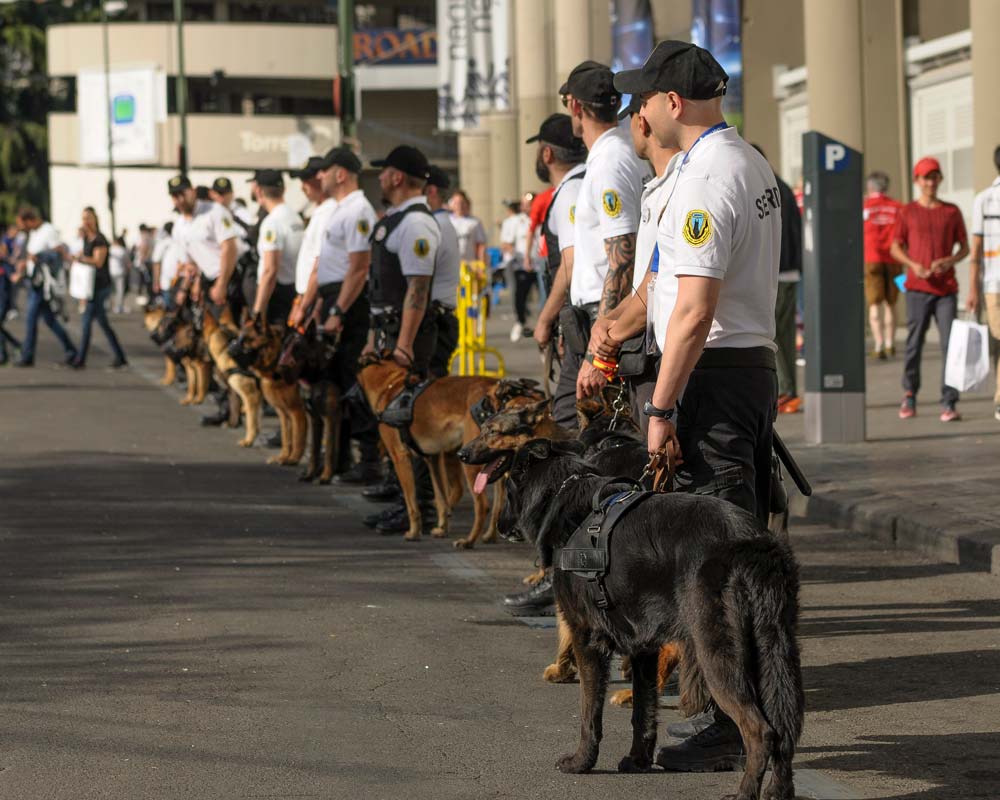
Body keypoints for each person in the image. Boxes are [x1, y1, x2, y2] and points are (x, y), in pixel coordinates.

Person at [612, 40, 780, 771]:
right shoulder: (738, 162)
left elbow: (692, 311)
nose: (638, 113)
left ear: (670, 103)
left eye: (642, 98)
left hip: (712, 379)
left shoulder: (711, 176)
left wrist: (661, 411)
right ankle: (731, 715)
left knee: (716, 561)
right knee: (723, 548)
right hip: (736, 373)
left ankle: (731, 726)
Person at [502, 113, 586, 618]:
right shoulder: (574, 190)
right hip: (578, 325)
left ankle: (564, 576)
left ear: (548, 153)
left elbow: (573, 263)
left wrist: (546, 316)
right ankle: (558, 572)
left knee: (567, 454)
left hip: (580, 324)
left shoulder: (571, 193)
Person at [583, 92, 681, 433]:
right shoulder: (658, 185)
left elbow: (659, 285)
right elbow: (648, 281)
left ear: (642, 123)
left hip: (671, 355)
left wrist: (603, 347)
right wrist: (609, 320)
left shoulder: (681, 187)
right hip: (650, 342)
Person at [557, 60, 648, 424]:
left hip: (605, 316)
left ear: (576, 107)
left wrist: (601, 352)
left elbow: (621, 256)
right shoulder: (616, 154)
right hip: (600, 316)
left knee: (587, 425)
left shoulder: (611, 160)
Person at [366, 145, 440, 534]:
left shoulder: (415, 224)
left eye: (384, 171)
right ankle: (402, 500)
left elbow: (418, 289)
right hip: (389, 332)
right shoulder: (396, 220)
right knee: (393, 421)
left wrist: (405, 344)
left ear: (397, 177)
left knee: (409, 420)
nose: (379, 178)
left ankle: (420, 508)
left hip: (409, 335)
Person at [295, 147, 380, 484]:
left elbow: (358, 269)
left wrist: (337, 310)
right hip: (332, 299)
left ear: (341, 173)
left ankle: (369, 459)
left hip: (349, 303)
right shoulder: (338, 211)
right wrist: (313, 305)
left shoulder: (359, 210)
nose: (320, 176)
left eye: (326, 170)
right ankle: (340, 457)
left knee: (351, 381)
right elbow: (325, 265)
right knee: (333, 384)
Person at [890, 156, 969, 422]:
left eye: (934, 177)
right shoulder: (907, 211)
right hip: (917, 287)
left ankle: (949, 401)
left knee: (950, 345)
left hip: (946, 289)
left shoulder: (952, 211)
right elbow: (894, 247)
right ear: (917, 180)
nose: (930, 182)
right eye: (925, 177)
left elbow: (965, 247)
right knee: (914, 344)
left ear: (940, 179)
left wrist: (950, 260)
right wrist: (914, 265)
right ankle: (909, 393)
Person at [752, 144, 802, 414]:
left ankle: (786, 390)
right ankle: (789, 389)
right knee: (784, 333)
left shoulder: (767, 188)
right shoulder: (781, 188)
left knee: (776, 336)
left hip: (778, 272)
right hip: (790, 270)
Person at [11, 206, 77, 367]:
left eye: (22, 224)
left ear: (30, 220)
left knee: (31, 319)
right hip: (34, 281)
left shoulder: (49, 230)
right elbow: (30, 254)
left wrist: (39, 257)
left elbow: (58, 253)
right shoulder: (33, 233)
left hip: (43, 283)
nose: (22, 229)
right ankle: (71, 350)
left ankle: (28, 355)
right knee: (49, 320)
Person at [70, 207, 127, 369]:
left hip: (99, 286)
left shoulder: (100, 239)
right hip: (90, 286)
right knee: (102, 323)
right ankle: (120, 356)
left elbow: (98, 261)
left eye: (88, 218)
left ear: (95, 219)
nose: (85, 221)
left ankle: (80, 359)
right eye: (83, 218)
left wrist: (82, 258)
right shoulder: (87, 239)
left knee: (87, 322)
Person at [967, 145, 1000, 423]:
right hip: (993, 284)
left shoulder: (982, 199)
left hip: (992, 284)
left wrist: (974, 289)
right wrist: (973, 289)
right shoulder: (986, 199)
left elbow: (975, 250)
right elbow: (976, 248)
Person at [423, 165, 462, 377]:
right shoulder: (438, 223)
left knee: (431, 391)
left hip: (436, 320)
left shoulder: (436, 225)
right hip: (439, 317)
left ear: (432, 191)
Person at [288, 155, 337, 320]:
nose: (303, 187)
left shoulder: (328, 212)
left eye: (306, 180)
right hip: (309, 296)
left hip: (315, 299)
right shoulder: (320, 211)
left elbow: (319, 265)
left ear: (321, 178)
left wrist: (303, 307)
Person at [252, 169, 303, 323]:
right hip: (294, 290)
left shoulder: (272, 222)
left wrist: (258, 311)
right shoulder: (295, 217)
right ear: (283, 190)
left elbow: (270, 270)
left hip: (277, 296)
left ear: (259, 191)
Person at [863, 171, 903, 359]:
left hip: (871, 258)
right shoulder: (897, 207)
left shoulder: (864, 206)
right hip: (894, 259)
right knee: (891, 303)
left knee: (874, 303)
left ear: (870, 187)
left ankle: (878, 344)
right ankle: (890, 343)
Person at [499, 196, 533, 341]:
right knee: (520, 296)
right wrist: (517, 255)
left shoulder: (543, 217)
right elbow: (506, 243)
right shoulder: (515, 222)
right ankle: (520, 321)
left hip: (541, 264)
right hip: (522, 265)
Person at [448, 189, 487, 265]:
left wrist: (481, 264)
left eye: (462, 203)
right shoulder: (447, 221)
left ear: (466, 203)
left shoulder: (475, 222)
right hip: (451, 266)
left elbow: (481, 245)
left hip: (469, 266)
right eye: (456, 203)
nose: (459, 206)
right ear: (452, 204)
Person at [108, 235, 132, 314]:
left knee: (111, 290)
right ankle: (118, 307)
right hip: (120, 272)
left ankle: (109, 305)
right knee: (120, 291)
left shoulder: (110, 249)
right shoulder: (123, 250)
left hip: (110, 272)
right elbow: (127, 263)